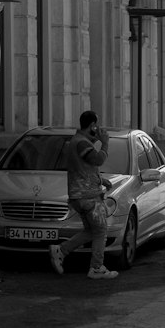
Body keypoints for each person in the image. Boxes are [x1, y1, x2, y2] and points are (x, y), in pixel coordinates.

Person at [49, 110, 118, 280]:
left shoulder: (80, 142)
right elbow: (98, 160)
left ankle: (61, 250)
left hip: (81, 195)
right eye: (97, 124)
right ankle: (96, 268)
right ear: (92, 125)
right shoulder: (81, 143)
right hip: (88, 197)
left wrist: (101, 180)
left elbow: (84, 168)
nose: (99, 128)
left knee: (91, 230)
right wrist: (105, 143)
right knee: (101, 230)